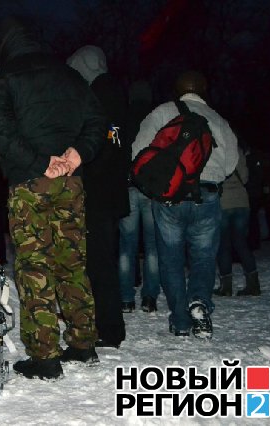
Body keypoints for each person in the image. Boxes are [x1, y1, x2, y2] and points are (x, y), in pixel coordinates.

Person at [0, 16, 106, 380]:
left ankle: (44, 355)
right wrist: (78, 153)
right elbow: (99, 121)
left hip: (31, 184)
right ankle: (83, 343)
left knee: (34, 265)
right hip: (70, 181)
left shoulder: (5, 78)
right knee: (71, 261)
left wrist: (39, 162)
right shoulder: (72, 76)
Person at [132, 70, 238, 339]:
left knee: (171, 259)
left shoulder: (162, 113)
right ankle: (200, 301)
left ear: (177, 90)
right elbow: (230, 164)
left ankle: (180, 320)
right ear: (203, 89)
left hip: (170, 197)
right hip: (208, 196)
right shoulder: (217, 119)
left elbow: (138, 152)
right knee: (203, 256)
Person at [67, 45, 129, 349]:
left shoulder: (103, 95)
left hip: (100, 194)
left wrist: (87, 167)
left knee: (99, 262)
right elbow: (115, 137)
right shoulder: (112, 93)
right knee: (101, 259)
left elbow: (112, 138)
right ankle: (107, 324)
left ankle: (108, 327)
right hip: (109, 192)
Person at [118, 80, 162, 314]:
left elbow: (115, 148)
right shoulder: (157, 118)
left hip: (127, 186)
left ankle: (126, 298)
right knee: (153, 246)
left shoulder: (123, 118)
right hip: (151, 188)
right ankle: (149, 297)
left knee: (127, 245)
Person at [214, 144, 261, 296]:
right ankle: (253, 284)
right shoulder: (239, 151)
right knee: (241, 243)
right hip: (242, 202)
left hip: (223, 202)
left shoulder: (215, 151)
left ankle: (226, 286)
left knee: (224, 245)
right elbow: (245, 177)